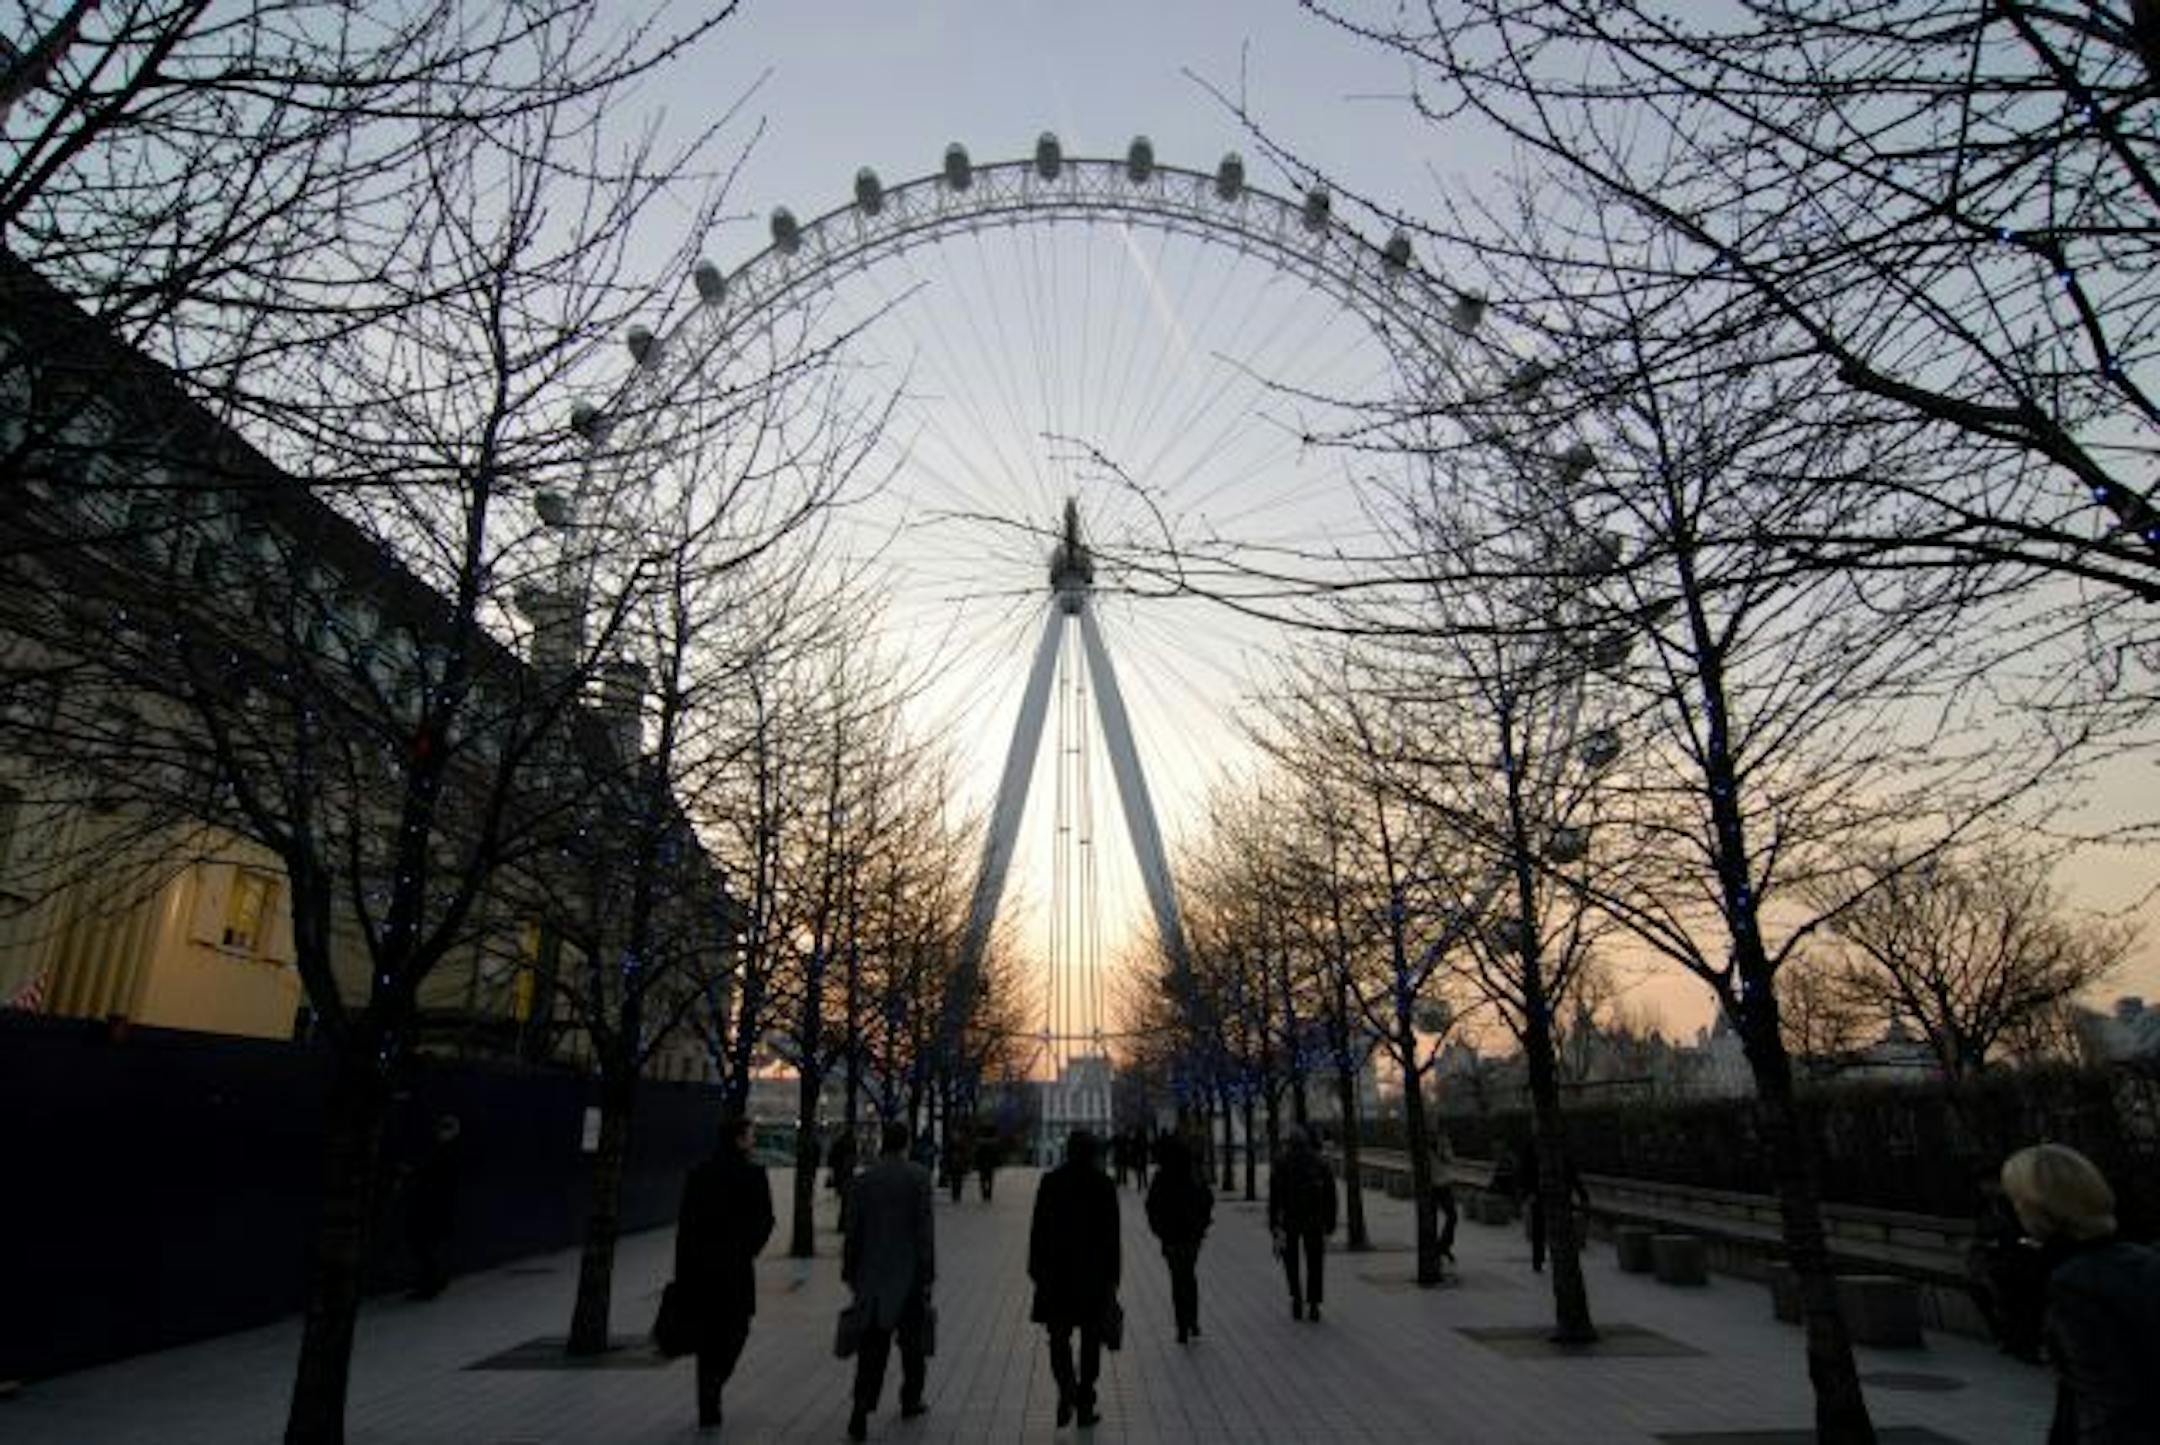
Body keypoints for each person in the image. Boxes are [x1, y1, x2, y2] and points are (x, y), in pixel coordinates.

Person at [1999, 1143, 2160, 1444]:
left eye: (2015, 1201)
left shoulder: (2073, 1283)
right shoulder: (2141, 1260)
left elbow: (2106, 1402)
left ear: (2037, 1207)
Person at [675, 1113, 775, 1432]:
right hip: (735, 1267)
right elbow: (766, 1219)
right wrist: (749, 1248)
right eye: (750, 1135)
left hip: (701, 1268)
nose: (753, 1140)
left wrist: (683, 1271)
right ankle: (715, 1385)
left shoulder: (699, 1174)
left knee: (708, 1335)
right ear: (738, 1139)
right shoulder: (754, 1175)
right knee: (737, 1329)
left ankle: (708, 1397)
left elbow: (686, 1227)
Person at [844, 1121, 936, 1441]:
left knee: (872, 1347)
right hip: (908, 1274)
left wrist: (851, 1272)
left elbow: (853, 1232)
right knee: (912, 1345)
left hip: (871, 1275)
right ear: (906, 1143)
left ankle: (861, 1405)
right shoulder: (919, 1178)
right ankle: (911, 1399)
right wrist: (927, 1274)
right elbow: (924, 1232)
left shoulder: (864, 1181)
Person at [1030, 1129, 1120, 1428]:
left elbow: (1038, 1231)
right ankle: (1084, 1400)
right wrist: (1113, 1278)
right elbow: (1111, 1237)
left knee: (1058, 1338)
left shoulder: (1051, 1182)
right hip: (1092, 1277)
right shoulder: (1104, 1185)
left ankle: (1066, 1387)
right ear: (1093, 1152)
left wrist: (1037, 1271)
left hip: (1056, 1276)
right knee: (1091, 1340)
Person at [1144, 1134, 1213, 1343]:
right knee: (1189, 1275)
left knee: (1176, 1278)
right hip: (1191, 1235)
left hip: (1171, 1236)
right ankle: (1192, 1320)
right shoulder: (1194, 1173)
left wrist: (1158, 1230)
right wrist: (1202, 1224)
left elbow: (1151, 1206)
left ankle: (1181, 1325)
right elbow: (1207, 1200)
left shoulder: (1162, 1176)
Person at [1267, 1124, 1336, 1322]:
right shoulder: (1320, 1162)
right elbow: (1330, 1195)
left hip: (1290, 1220)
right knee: (1315, 1262)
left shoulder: (1281, 1162)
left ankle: (1296, 1298)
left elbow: (1274, 1198)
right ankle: (1314, 1304)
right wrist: (1330, 1222)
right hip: (1314, 1220)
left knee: (1291, 1263)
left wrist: (1273, 1224)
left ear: (1289, 1143)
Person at [404, 1112, 462, 1300]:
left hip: (434, 1205)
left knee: (424, 1244)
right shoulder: (444, 1151)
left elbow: (437, 1177)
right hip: (437, 1205)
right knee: (429, 1244)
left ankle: (431, 1284)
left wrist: (416, 1175)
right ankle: (434, 1281)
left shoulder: (446, 1152)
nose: (440, 1132)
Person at [1518, 1136, 1589, 1274]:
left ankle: (1549, 1259)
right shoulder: (1538, 1145)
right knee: (1541, 1228)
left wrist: (1582, 1193)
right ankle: (1540, 1259)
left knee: (1549, 1228)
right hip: (1544, 1193)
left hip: (1553, 1193)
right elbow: (1525, 1170)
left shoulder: (1547, 1144)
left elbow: (1570, 1170)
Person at [1422, 1130, 1459, 1277]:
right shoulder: (1422, 1141)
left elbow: (1451, 1159)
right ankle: (1434, 1249)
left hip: (1443, 1183)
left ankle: (1443, 1245)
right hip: (1430, 1185)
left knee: (1453, 1216)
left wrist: (1442, 1151)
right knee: (1431, 1219)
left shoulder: (1443, 1140)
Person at [827, 1125, 859, 1235]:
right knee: (846, 1200)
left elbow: (831, 1158)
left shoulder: (838, 1143)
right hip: (846, 1174)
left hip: (840, 1173)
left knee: (845, 1200)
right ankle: (844, 1223)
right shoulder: (851, 1144)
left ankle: (842, 1223)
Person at [973, 1128, 1003, 1202]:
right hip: (989, 1164)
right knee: (989, 1179)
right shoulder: (993, 1143)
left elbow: (977, 1155)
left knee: (983, 1180)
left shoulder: (981, 1143)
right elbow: (996, 1154)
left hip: (983, 1164)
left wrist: (976, 1163)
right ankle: (988, 1194)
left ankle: (985, 1193)